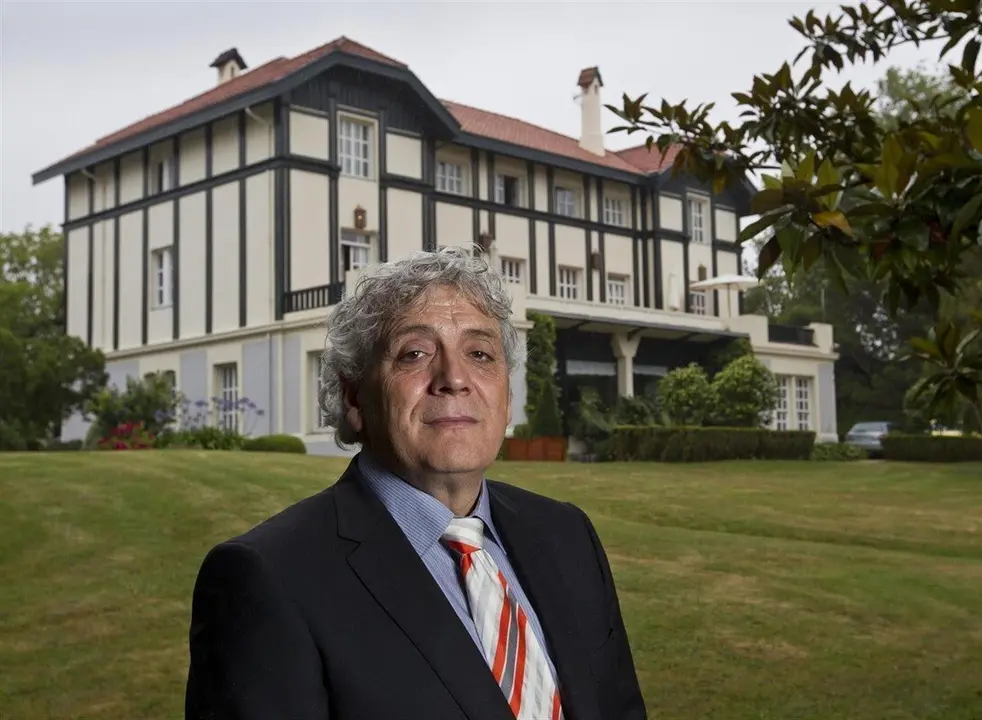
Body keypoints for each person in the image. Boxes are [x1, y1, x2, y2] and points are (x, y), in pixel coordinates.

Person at [184, 246, 647, 720]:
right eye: (415, 353)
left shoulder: (567, 533)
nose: (454, 378)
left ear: (507, 396)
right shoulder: (266, 579)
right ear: (353, 398)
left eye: (480, 353)